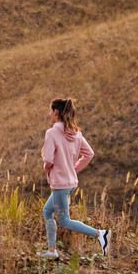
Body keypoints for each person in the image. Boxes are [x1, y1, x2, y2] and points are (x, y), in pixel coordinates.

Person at [39, 98, 111, 259]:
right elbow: (89, 154)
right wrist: (74, 169)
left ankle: (100, 234)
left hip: (60, 184)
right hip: (70, 183)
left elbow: (49, 159)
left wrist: (46, 168)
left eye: (50, 111)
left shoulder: (52, 133)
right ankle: (51, 251)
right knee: (47, 211)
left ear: (56, 112)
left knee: (64, 221)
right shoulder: (76, 133)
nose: (49, 114)